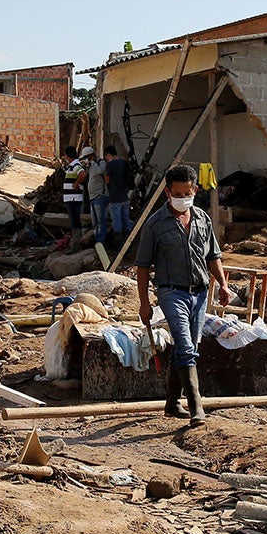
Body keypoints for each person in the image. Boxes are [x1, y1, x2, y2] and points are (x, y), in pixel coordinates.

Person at [135, 164, 231, 425]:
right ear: (167, 192)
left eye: (187, 193)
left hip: (199, 294)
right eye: (177, 194)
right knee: (187, 348)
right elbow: (142, 267)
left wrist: (222, 284)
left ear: (195, 190)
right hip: (170, 293)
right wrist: (144, 304)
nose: (182, 198)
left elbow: (213, 255)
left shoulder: (202, 219)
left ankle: (171, 403)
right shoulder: (155, 225)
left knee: (188, 346)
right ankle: (196, 408)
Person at [104, 145, 132, 250]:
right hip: (124, 196)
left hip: (114, 198)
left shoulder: (110, 165)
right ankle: (130, 243)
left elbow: (107, 180)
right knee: (126, 219)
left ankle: (118, 246)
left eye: (106, 156)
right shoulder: (124, 163)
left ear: (108, 155)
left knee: (117, 222)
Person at [62, 145, 88, 249]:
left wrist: (76, 184)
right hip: (70, 198)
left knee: (74, 220)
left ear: (68, 155)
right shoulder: (71, 166)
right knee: (73, 220)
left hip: (73, 198)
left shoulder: (76, 165)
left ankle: (77, 243)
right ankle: (76, 242)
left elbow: (83, 174)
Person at [87, 145, 110, 246]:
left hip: (100, 195)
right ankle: (97, 241)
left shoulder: (101, 163)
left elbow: (100, 171)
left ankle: (102, 242)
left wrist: (92, 162)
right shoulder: (91, 165)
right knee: (94, 222)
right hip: (92, 196)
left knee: (101, 221)